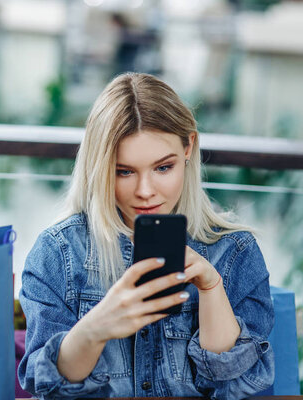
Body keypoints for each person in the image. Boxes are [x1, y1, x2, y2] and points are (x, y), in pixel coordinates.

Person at [18, 72, 274, 399]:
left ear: (188, 147)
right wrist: (94, 330)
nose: (145, 191)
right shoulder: (58, 254)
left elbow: (237, 388)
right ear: (100, 166)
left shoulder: (235, 252)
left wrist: (212, 288)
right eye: (124, 171)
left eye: (162, 168)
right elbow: (49, 389)